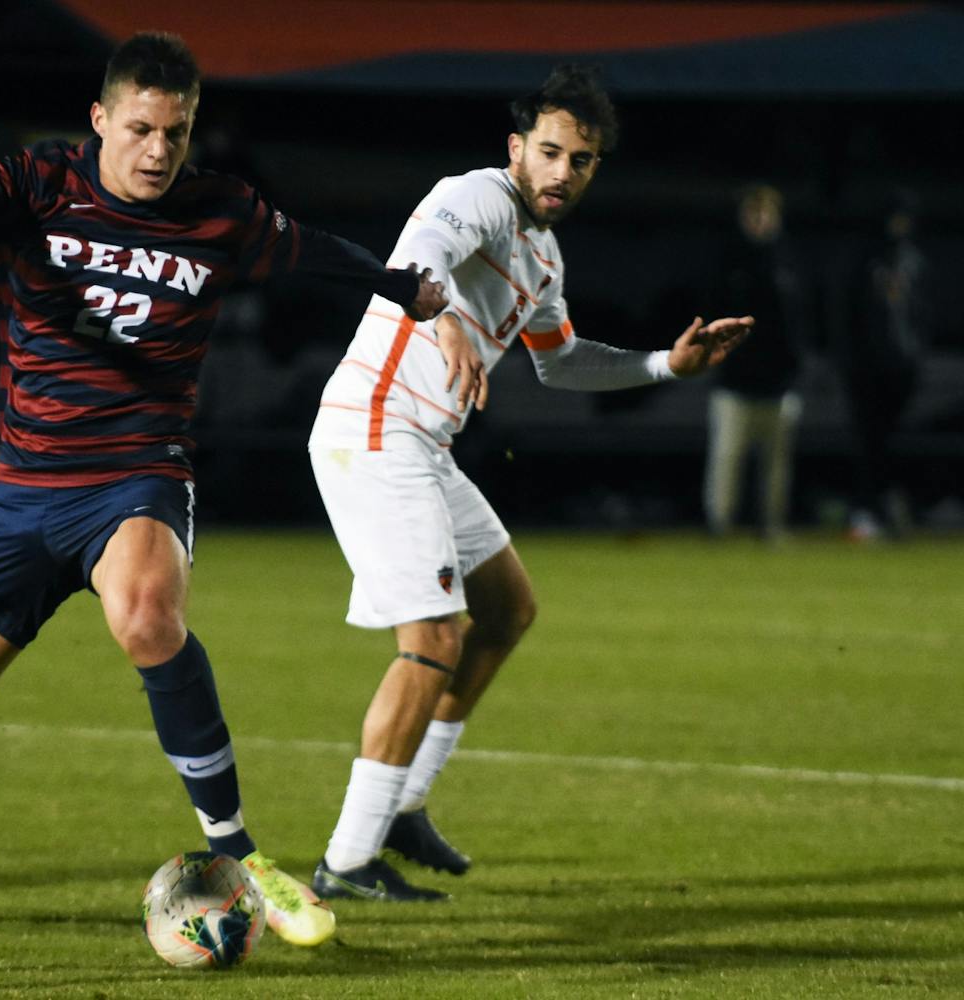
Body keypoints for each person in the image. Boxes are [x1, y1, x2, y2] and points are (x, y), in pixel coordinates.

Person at [0, 31, 445, 947]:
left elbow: (310, 251)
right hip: (22, 488)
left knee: (148, 615)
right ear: (101, 119)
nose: (158, 151)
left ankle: (237, 854)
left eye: (176, 133)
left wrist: (399, 286)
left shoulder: (219, 212)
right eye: (142, 128)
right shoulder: (42, 182)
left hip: (135, 473)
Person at [306, 64, 753, 900]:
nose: (561, 172)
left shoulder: (542, 256)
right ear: (517, 148)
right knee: (434, 638)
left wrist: (665, 363)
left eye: (580, 160)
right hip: (372, 429)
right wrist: (442, 320)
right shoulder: (477, 196)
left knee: (508, 607)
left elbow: (559, 363)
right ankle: (346, 860)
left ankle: (403, 805)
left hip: (425, 447)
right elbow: (420, 256)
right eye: (549, 151)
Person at [702, 183, 806, 540]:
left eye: (767, 214)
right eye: (754, 213)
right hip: (735, 382)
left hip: (779, 383)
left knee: (777, 466)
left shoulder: (790, 263)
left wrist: (796, 366)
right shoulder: (727, 263)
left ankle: (773, 525)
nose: (760, 221)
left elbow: (801, 322)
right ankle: (721, 525)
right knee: (727, 459)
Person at [838, 189, 928, 541]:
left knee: (892, 443)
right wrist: (850, 362)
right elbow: (848, 316)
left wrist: (917, 355)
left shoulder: (913, 260)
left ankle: (889, 509)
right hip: (867, 370)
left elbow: (923, 313)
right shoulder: (865, 259)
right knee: (868, 443)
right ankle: (865, 511)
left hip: (902, 370)